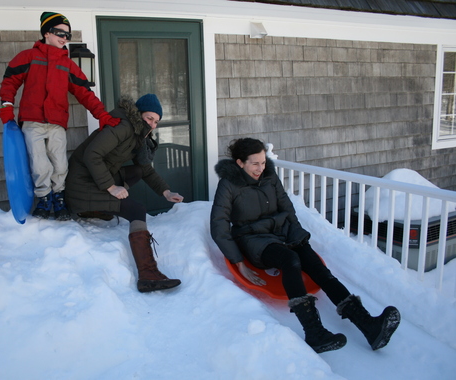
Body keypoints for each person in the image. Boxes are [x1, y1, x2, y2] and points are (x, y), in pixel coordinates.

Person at [210, 138, 401, 353]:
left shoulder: (270, 177)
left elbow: (287, 208)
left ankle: (368, 325)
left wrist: (297, 237)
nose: (260, 168)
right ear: (239, 163)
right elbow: (219, 226)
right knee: (290, 260)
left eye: (263, 162)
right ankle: (314, 332)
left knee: (314, 264)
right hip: (254, 239)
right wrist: (239, 262)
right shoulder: (228, 185)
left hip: (282, 233)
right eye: (255, 164)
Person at [0, 12, 120, 221]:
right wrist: (7, 106)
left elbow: (84, 93)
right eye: (59, 33)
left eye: (67, 35)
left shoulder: (68, 64)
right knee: (39, 164)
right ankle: (44, 199)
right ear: (46, 33)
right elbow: (10, 81)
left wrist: (102, 115)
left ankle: (59, 198)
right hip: (32, 121)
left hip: (56, 123)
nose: (64, 38)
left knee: (60, 164)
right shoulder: (28, 57)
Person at [65, 93, 183, 293]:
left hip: (96, 180)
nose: (153, 125)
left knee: (136, 171)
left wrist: (165, 191)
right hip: (81, 186)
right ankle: (148, 274)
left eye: (156, 122)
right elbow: (91, 154)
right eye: (149, 119)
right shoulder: (123, 126)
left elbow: (145, 169)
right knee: (136, 209)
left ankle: (98, 209)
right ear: (138, 114)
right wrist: (111, 188)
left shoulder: (138, 133)